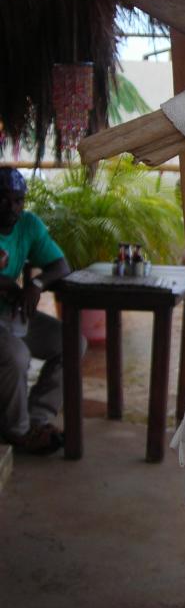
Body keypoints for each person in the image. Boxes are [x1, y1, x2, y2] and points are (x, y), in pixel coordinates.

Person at [0, 167, 72, 454]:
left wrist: (37, 284)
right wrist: (9, 285)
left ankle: (36, 418)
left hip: (12, 315)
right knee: (17, 355)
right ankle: (18, 432)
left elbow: (61, 265)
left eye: (18, 200)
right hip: (8, 317)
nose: (12, 207)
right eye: (3, 199)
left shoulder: (28, 224)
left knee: (71, 342)